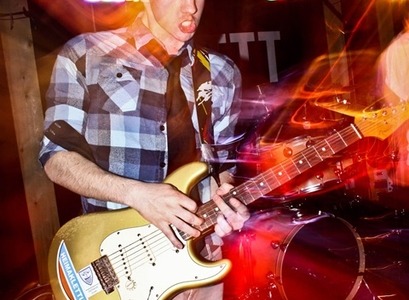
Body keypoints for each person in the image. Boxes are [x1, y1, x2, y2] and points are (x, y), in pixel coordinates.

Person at [39, 0, 250, 299]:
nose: (190, 7)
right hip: (117, 267)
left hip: (202, 261)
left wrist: (229, 204)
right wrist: (136, 194)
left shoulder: (221, 73)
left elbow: (222, 168)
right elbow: (55, 157)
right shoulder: (86, 54)